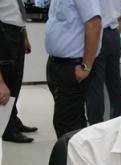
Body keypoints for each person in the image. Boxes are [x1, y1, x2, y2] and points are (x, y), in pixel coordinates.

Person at [45, 0, 102, 138]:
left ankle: (69, 159)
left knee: (65, 123)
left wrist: (86, 66)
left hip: (73, 66)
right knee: (74, 120)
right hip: (57, 64)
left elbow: (94, 24)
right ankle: (79, 157)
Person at [0, 0, 38, 144]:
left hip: (17, 33)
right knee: (8, 82)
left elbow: (18, 14)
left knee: (16, 81)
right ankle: (7, 129)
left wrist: (25, 37)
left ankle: (14, 120)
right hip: (4, 33)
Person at [85, 0, 121, 125]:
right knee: (115, 83)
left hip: (98, 34)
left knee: (94, 85)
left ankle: (96, 125)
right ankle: (119, 123)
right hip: (114, 35)